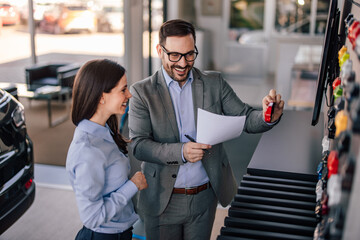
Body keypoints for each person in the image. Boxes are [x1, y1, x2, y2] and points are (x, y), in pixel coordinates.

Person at [128, 19, 284, 240]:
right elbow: (139, 146)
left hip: (204, 197)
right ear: (159, 51)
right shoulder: (142, 92)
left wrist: (269, 116)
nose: (183, 63)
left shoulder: (214, 83)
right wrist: (181, 151)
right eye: (174, 55)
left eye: (190, 54)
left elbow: (246, 118)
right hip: (163, 199)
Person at [66, 59, 148, 240]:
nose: (129, 95)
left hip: (121, 231)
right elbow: (92, 217)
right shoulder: (87, 150)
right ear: (102, 97)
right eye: (123, 89)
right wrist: (132, 186)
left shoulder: (106, 131)